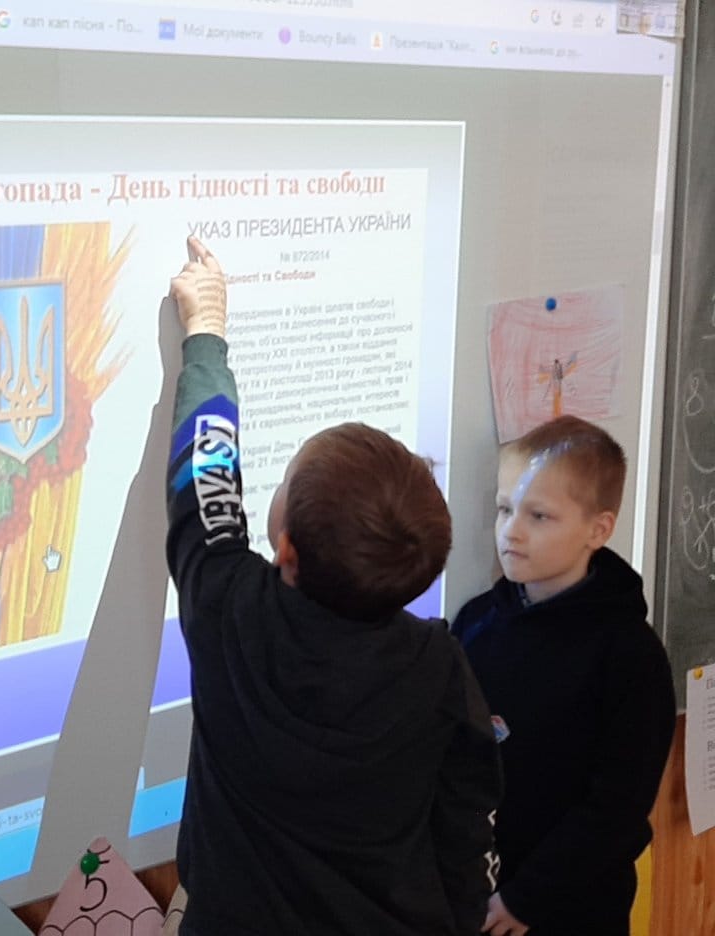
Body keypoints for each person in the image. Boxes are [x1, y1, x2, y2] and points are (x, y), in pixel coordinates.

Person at [166, 237, 501, 935]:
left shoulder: (232, 610)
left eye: (286, 480)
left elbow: (205, 475)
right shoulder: (438, 667)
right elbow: (463, 827)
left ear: (285, 548)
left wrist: (207, 333)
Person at [452, 416, 675, 936]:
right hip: (472, 895)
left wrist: (527, 898)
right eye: (504, 509)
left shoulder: (629, 655)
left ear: (598, 529)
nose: (512, 531)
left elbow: (617, 807)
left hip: (570, 908)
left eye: (539, 515)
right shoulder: (477, 621)